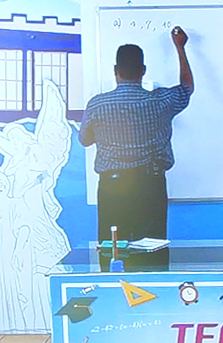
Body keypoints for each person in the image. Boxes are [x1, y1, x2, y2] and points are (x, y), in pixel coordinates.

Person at [80, 27, 193, 270]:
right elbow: (186, 88)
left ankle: (111, 289)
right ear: (143, 70)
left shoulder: (97, 104)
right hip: (150, 186)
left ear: (115, 71)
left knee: (111, 250)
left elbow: (85, 140)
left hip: (112, 187)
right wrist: (180, 47)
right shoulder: (160, 100)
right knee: (152, 252)